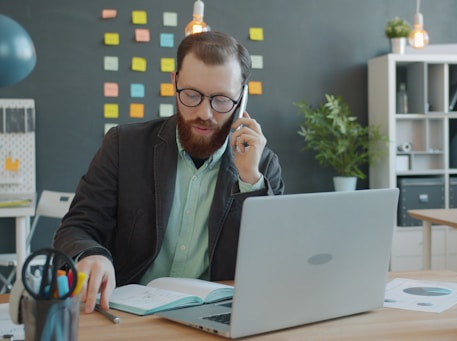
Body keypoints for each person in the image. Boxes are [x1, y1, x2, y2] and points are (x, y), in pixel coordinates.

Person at [53, 31, 285, 313]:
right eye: (191, 95)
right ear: (174, 82)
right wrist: (92, 254)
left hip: (216, 316)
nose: (205, 113)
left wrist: (250, 182)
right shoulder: (123, 145)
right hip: (127, 314)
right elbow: (77, 226)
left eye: (222, 100)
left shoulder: (262, 166)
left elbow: (271, 262)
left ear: (242, 97)